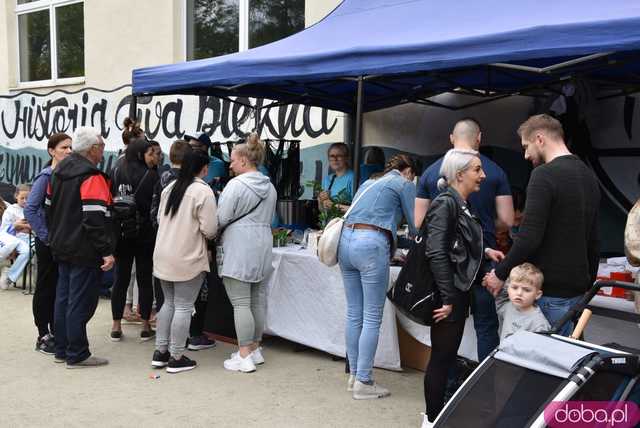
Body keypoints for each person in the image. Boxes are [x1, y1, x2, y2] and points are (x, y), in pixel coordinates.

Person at [484, 114, 600, 336]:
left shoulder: (543, 175)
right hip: (577, 292)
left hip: (548, 292)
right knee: (567, 363)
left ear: (539, 139)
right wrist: (587, 286)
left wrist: (500, 274)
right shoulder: (589, 177)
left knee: (542, 365)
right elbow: (594, 241)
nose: (526, 155)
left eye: (526, 146)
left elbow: (529, 237)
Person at [415, 118, 514, 362]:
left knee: (448, 330)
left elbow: (419, 223)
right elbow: (508, 220)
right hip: (482, 261)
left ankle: (449, 390)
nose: (479, 175)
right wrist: (483, 227)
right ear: (479, 137)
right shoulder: (496, 171)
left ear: (451, 138)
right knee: (486, 326)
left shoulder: (430, 172)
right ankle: (486, 386)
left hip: (447, 265)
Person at [339, 154, 418, 399]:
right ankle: (364, 381)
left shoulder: (367, 184)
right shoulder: (403, 184)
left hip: (345, 242)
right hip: (371, 245)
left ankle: (353, 375)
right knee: (372, 317)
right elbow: (416, 226)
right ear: (409, 172)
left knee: (354, 313)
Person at [422, 149, 484, 427]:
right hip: (448, 294)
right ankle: (432, 419)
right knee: (441, 358)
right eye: (477, 170)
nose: (482, 175)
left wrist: (487, 250)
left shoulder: (459, 203)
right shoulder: (446, 203)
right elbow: (435, 251)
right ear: (460, 175)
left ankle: (437, 416)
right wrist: (447, 298)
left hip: (455, 292)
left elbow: (455, 243)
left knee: (445, 357)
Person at [47, 126, 115, 368]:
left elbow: (48, 209)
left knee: (63, 298)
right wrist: (106, 250)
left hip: (61, 244)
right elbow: (94, 219)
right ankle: (77, 353)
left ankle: (62, 349)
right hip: (84, 248)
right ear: (93, 149)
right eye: (102, 147)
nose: (104, 152)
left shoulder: (56, 172)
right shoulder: (92, 176)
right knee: (80, 301)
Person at [152, 149, 217, 373]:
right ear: (204, 168)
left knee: (168, 303)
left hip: (163, 254)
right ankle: (177, 356)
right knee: (183, 305)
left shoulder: (170, 187)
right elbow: (210, 230)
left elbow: (160, 218)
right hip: (187, 256)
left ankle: (161, 352)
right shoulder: (203, 192)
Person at [217, 133, 277, 373]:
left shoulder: (236, 185)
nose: (230, 164)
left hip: (240, 244)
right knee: (256, 300)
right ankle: (254, 348)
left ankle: (243, 355)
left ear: (243, 160)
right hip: (263, 242)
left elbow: (220, 218)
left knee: (241, 302)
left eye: (232, 160)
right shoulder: (270, 186)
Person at [24, 133, 72, 354]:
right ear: (52, 151)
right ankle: (42, 334)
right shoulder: (46, 176)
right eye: (64, 148)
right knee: (45, 287)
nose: (69, 151)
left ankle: (56, 330)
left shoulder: (67, 175)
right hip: (49, 243)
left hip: (63, 241)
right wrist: (46, 236)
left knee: (59, 287)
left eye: (71, 147)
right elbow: (30, 209)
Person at [110, 138, 159, 342]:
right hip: (145, 233)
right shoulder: (152, 174)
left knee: (120, 279)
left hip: (122, 231)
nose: (154, 156)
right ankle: (146, 324)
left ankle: (116, 325)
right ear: (140, 154)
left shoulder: (116, 171)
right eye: (150, 153)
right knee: (145, 279)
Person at [495, 262, 550, 343]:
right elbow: (501, 296)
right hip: (502, 354)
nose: (519, 293)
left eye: (526, 290)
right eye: (515, 287)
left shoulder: (539, 324)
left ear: (537, 295)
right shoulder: (507, 306)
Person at [0, 184, 33, 290]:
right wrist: (15, 226)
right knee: (27, 251)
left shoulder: (33, 209)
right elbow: (3, 231)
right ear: (16, 196)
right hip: (14, 240)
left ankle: (9, 274)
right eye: (22, 198)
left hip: (31, 238)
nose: (25, 201)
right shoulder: (10, 210)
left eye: (28, 198)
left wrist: (26, 227)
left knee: (33, 251)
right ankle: (9, 278)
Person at [318, 143, 354, 212]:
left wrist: (334, 206)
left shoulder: (353, 178)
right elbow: (322, 210)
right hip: (329, 222)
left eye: (339, 155)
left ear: (346, 158)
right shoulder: (327, 179)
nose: (335, 159)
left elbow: (357, 209)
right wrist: (320, 200)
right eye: (332, 156)